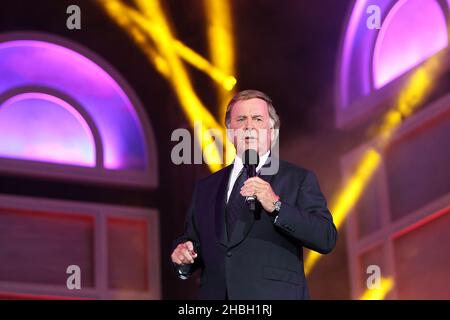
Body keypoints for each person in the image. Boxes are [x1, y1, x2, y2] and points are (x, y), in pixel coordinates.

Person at [171, 89, 337, 299]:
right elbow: (192, 241)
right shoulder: (206, 188)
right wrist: (183, 257)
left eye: (257, 119)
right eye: (241, 119)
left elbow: (326, 237)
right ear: (230, 132)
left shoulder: (298, 179)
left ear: (272, 132)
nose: (249, 126)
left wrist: (277, 206)